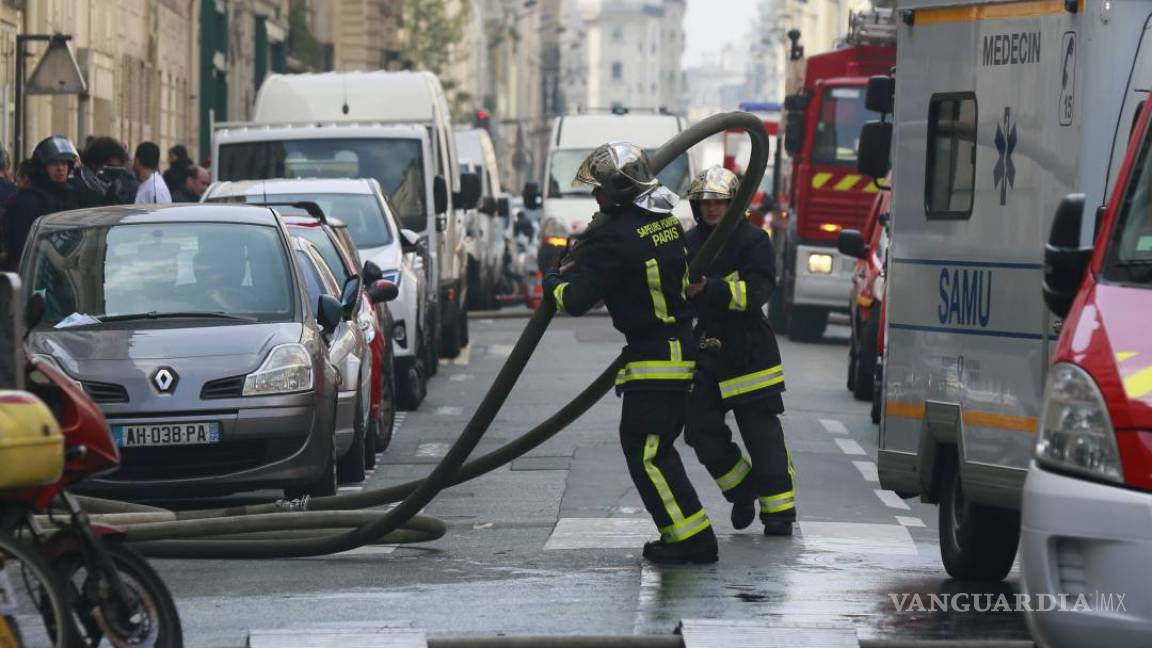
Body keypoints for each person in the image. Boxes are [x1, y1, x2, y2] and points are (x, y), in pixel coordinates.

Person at [541, 142, 717, 565]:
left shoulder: (613, 240)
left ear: (615, 193)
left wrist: (552, 279)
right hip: (678, 351)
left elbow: (576, 300)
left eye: (599, 191)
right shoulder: (666, 223)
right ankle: (684, 533)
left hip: (654, 357)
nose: (595, 199)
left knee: (647, 451)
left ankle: (692, 539)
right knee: (655, 449)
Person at [681, 166, 795, 537]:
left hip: (749, 351)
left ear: (734, 204)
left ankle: (778, 513)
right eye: (705, 202)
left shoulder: (752, 241)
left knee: (762, 435)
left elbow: (757, 293)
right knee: (699, 429)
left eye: (720, 202)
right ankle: (742, 491)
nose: (712, 209)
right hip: (707, 348)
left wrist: (710, 289)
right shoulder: (688, 243)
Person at [3, 137, 80, 271]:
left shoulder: (71, 197)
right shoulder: (27, 201)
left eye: (64, 163)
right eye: (54, 164)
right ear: (42, 167)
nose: (60, 168)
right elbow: (20, 248)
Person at [83, 136, 140, 205]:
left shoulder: (123, 188)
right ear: (95, 165)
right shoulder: (79, 189)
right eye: (110, 168)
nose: (114, 173)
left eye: (118, 168)